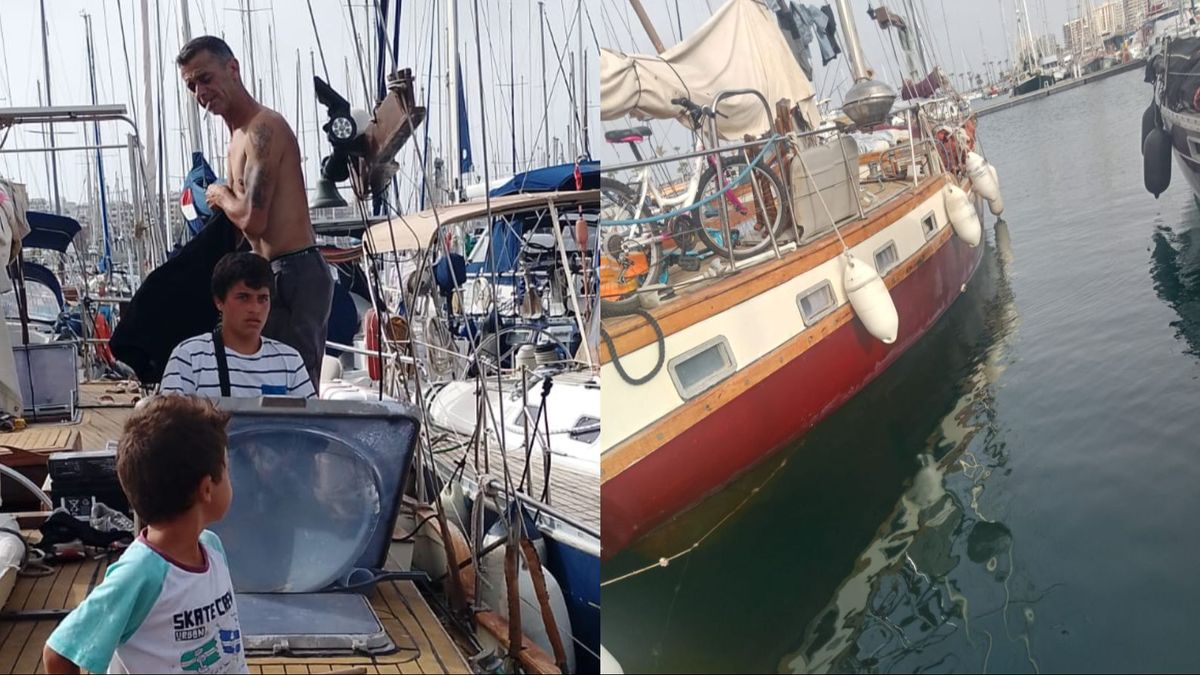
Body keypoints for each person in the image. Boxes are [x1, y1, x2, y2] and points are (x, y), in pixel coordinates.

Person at [43, 395, 246, 674]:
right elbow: (59, 653)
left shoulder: (212, 548)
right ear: (207, 488)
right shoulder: (141, 573)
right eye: (227, 470)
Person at [177, 35, 333, 388]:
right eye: (191, 86)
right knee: (262, 381)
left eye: (205, 78)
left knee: (291, 389)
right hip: (269, 272)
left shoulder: (264, 128)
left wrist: (217, 194)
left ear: (232, 69)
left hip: (296, 273)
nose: (200, 93)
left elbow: (252, 218)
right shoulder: (236, 139)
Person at [161, 251, 315, 399]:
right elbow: (168, 422)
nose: (255, 309)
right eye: (243, 297)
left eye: (262, 299)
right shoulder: (188, 357)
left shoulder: (290, 361)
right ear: (219, 301)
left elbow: (311, 423)